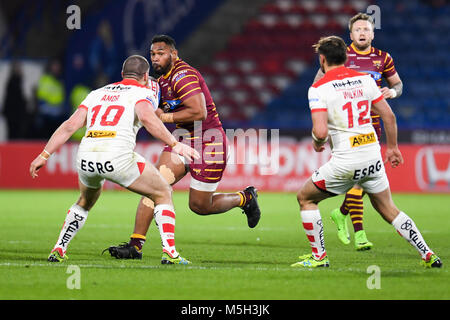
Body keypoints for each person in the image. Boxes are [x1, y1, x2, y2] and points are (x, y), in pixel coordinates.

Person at [29, 55, 200, 264]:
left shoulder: (96, 93)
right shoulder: (143, 92)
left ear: (122, 74)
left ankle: (59, 249)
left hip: (86, 157)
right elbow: (148, 118)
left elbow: (70, 126)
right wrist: (176, 144)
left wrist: (44, 155)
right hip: (117, 156)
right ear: (145, 76)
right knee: (163, 192)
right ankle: (170, 253)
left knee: (84, 201)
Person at [291, 36, 441, 268]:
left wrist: (317, 142)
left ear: (322, 60)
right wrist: (392, 148)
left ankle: (319, 257)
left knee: (305, 198)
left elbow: (320, 132)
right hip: (372, 156)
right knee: (389, 209)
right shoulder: (365, 79)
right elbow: (388, 116)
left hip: (346, 161)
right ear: (346, 57)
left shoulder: (318, 88)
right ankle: (428, 254)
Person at [106, 35, 261, 260]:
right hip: (182, 141)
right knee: (155, 186)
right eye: (153, 54)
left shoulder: (183, 75)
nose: (156, 58)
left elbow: (200, 112)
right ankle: (135, 245)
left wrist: (165, 117)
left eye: (161, 53)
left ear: (174, 54)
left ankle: (245, 198)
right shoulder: (160, 82)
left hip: (210, 143)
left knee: (199, 206)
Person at [313, 13, 403, 251]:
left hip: (373, 125)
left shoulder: (383, 58)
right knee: (361, 178)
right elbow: (317, 86)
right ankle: (360, 234)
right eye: (358, 30)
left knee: (363, 179)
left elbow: (398, 84)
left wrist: (391, 93)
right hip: (344, 127)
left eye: (367, 29)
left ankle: (342, 214)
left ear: (373, 33)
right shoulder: (341, 56)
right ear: (351, 34)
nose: (362, 33)